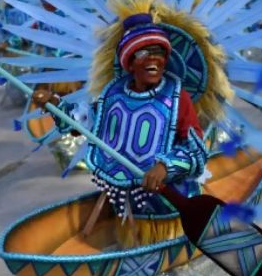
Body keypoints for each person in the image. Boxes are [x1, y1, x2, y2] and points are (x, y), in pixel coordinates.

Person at [33, 12, 207, 248]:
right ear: (130, 61)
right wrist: (55, 104)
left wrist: (165, 166)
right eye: (144, 53)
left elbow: (196, 149)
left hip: (170, 204)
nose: (153, 60)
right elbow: (86, 122)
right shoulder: (114, 94)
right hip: (125, 202)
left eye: (159, 53)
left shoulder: (176, 97)